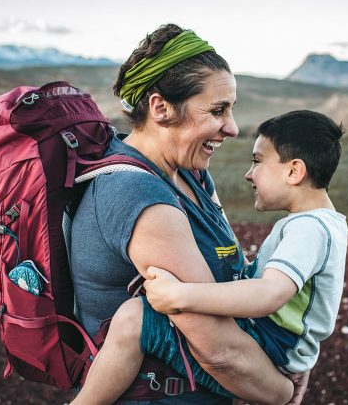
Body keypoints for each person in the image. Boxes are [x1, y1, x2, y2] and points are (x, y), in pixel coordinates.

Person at [69, 24, 305, 405]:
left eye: (230, 109)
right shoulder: (140, 197)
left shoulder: (189, 174)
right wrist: (283, 391)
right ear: (160, 108)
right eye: (217, 110)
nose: (232, 128)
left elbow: (229, 280)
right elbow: (219, 351)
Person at [75, 110, 347, 403]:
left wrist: (179, 295)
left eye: (257, 162)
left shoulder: (310, 228)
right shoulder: (320, 224)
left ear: (294, 171)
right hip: (277, 343)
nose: (248, 174)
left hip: (270, 344)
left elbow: (269, 294)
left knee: (133, 319)